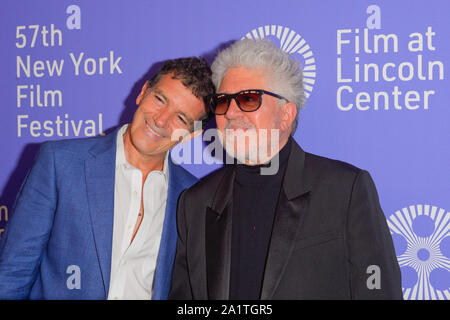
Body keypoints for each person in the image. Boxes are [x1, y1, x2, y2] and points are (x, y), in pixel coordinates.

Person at [169, 40, 403, 300]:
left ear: (286, 114)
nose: (231, 112)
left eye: (248, 98)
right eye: (222, 101)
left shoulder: (344, 190)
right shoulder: (195, 203)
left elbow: (379, 291)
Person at [0, 57, 215, 299]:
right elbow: (12, 272)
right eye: (159, 99)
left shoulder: (192, 196)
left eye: (181, 118)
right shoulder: (60, 163)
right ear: (143, 92)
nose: (161, 120)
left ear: (190, 135)